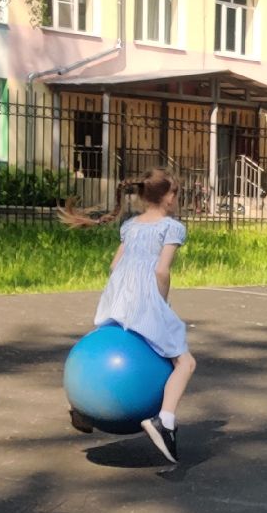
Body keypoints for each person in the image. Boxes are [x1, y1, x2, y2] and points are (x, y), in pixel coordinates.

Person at [59, 169, 197, 463]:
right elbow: (161, 271)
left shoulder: (131, 225)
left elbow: (114, 266)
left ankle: (83, 407)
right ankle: (165, 422)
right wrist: (160, 304)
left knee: (101, 343)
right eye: (176, 194)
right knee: (184, 362)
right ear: (169, 197)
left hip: (118, 297)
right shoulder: (172, 227)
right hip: (146, 300)